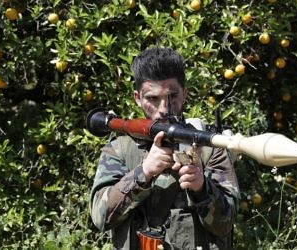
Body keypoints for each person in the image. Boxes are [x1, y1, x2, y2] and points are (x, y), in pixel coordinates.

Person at [89, 47, 240, 250]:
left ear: (184, 94)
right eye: (152, 98)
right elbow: (101, 217)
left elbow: (225, 224)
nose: (163, 109)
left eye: (172, 96)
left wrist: (202, 189)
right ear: (137, 97)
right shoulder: (120, 150)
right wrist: (144, 172)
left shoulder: (210, 148)